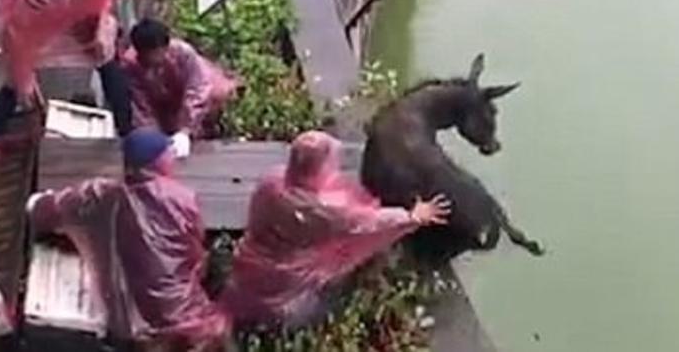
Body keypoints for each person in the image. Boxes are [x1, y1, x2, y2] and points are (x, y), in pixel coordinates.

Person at [219, 130, 451, 329]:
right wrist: (412, 216)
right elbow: (370, 222)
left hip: (247, 268)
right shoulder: (323, 212)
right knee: (332, 292)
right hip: (284, 287)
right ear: (319, 171)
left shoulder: (270, 182)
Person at [27, 128, 231, 351]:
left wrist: (40, 202)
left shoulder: (101, 196)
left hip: (126, 323)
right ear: (159, 161)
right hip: (182, 316)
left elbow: (43, 210)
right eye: (168, 153)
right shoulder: (184, 199)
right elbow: (195, 257)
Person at [0, 0, 132, 164]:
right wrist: (24, 76)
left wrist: (99, 25)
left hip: (78, 8)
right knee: (16, 84)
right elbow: (18, 34)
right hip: (28, 18)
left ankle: (127, 132)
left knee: (105, 55)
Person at [120, 18, 237, 156]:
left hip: (200, 92)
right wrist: (153, 139)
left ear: (165, 47)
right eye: (147, 56)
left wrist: (185, 130)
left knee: (210, 101)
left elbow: (197, 89)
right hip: (161, 102)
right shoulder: (130, 64)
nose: (153, 60)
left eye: (157, 54)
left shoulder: (183, 53)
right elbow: (140, 104)